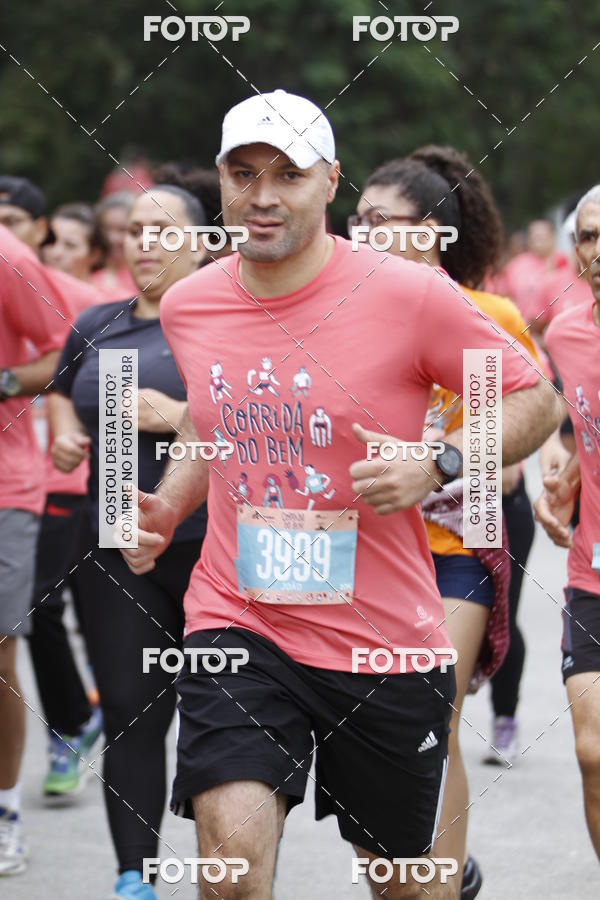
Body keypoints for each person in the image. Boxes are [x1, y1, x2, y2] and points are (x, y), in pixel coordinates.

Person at [121, 90, 561, 900]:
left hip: (383, 638)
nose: (262, 196)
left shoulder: (406, 294)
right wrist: (170, 502)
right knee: (231, 870)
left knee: (402, 885)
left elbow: (532, 396)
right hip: (239, 618)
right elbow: (212, 425)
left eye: (288, 174)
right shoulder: (192, 302)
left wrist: (442, 460)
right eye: (243, 173)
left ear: (331, 182)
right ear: (222, 181)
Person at [354, 145, 544, 898]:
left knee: (434, 705)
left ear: (430, 231)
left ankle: (437, 880)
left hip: (455, 544)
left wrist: (443, 464)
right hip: (367, 551)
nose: (360, 234)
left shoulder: (488, 317)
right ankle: (421, 867)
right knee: (382, 724)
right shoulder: (348, 321)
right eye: (355, 220)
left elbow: (513, 442)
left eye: (379, 221)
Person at [50, 183, 208, 899]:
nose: (146, 241)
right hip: (117, 543)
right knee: (130, 711)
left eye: (165, 231)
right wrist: (60, 427)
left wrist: (178, 414)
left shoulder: (228, 322)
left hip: (212, 548)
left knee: (219, 719)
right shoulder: (97, 323)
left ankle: (227, 871)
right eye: (137, 229)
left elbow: (270, 425)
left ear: (202, 244)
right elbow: (61, 388)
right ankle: (133, 877)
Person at [0, 222, 75, 874]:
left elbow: (68, 355)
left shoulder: (8, 256)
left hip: (9, 488)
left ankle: (4, 811)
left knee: (3, 647)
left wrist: (1, 383)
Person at [534, 183, 600, 859]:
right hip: (593, 574)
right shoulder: (567, 333)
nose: (598, 251)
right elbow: (584, 428)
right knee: (593, 753)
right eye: (587, 236)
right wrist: (564, 481)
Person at [42, 202, 107, 282]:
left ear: (95, 255)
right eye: (50, 241)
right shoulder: (30, 290)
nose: (56, 253)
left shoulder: (114, 294)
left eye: (70, 246)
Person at [92, 192, 138, 300]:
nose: (112, 238)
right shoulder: (84, 267)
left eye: (122, 229)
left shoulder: (145, 275)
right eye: (107, 228)